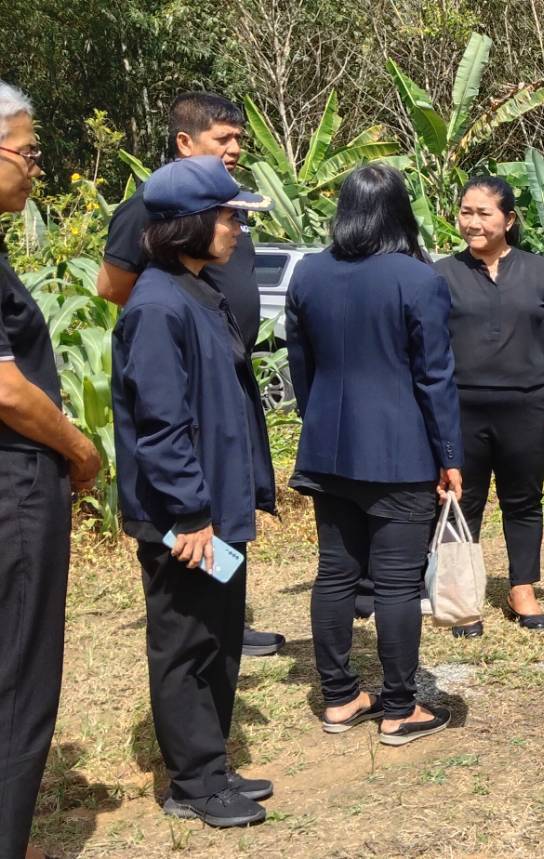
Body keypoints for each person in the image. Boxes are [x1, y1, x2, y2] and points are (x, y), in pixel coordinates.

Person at [112, 156, 277, 827]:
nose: (237, 228)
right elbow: (161, 425)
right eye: (228, 215)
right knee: (185, 644)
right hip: (186, 520)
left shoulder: (194, 289)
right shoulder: (156, 306)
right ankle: (194, 781)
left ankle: (210, 764)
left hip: (215, 510)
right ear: (187, 224)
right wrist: (189, 514)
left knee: (219, 636)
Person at [94, 90, 285, 658]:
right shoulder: (153, 207)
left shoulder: (229, 204)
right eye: (221, 139)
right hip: (188, 382)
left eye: (237, 140)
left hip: (226, 377)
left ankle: (227, 625)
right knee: (196, 521)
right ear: (184, 142)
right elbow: (112, 287)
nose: (233, 150)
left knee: (226, 518)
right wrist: (178, 324)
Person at [286, 164, 462, 748]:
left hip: (329, 448)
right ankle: (398, 708)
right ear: (399, 213)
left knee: (335, 573)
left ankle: (339, 698)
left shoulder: (308, 273)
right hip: (400, 450)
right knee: (393, 583)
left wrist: (321, 425)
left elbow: (301, 369)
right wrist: (449, 454)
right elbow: (434, 376)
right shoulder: (417, 279)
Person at [0, 80, 102, 859]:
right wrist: (77, 445)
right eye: (29, 151)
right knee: (19, 672)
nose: (38, 167)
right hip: (15, 488)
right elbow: (5, 388)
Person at [433, 176, 544, 637]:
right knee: (465, 502)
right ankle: (465, 596)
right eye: (466, 212)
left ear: (509, 219)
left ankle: (522, 587)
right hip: (462, 409)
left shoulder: (539, 272)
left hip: (526, 407)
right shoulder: (440, 275)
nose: (472, 222)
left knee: (524, 501)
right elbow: (429, 351)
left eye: (484, 213)